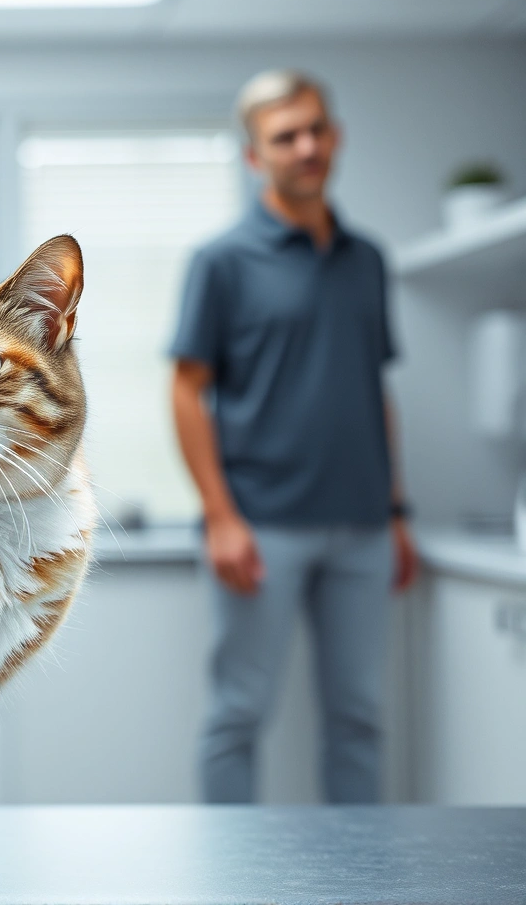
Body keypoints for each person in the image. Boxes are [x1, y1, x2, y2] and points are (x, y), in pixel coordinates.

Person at [170, 69, 417, 805]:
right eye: (286, 137)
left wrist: (397, 511)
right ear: (255, 156)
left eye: (316, 130)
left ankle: (358, 882)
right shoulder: (221, 261)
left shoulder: (367, 259)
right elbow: (187, 389)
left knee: (359, 718)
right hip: (261, 527)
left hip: (365, 528)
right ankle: (232, 878)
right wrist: (220, 515)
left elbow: (375, 389)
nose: (306, 147)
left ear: (335, 138)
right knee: (238, 716)